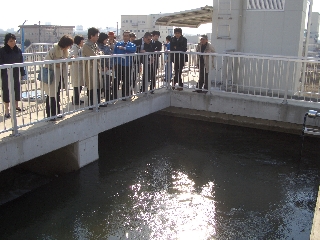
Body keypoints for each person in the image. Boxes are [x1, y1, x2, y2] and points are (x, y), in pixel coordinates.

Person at [43, 35, 73, 119]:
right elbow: (47, 62)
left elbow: (65, 62)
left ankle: (57, 112)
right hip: (52, 76)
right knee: (51, 95)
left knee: (57, 95)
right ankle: (50, 115)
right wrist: (56, 64)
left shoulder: (65, 51)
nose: (69, 47)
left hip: (60, 77)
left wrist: (71, 60)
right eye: (69, 45)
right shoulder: (54, 50)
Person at [0, 33, 26, 118]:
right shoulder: (2, 51)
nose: (13, 42)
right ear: (6, 42)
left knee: (17, 89)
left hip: (16, 73)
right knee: (6, 91)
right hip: (6, 74)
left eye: (14, 40)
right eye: (11, 41)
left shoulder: (17, 50)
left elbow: (21, 62)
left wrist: (22, 73)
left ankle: (16, 106)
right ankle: (7, 110)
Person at [82, 27, 106, 108]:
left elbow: (101, 52)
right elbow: (94, 55)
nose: (98, 37)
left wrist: (99, 54)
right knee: (92, 86)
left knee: (98, 85)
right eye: (96, 36)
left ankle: (98, 102)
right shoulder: (86, 46)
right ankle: (91, 104)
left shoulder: (95, 44)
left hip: (97, 68)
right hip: (90, 69)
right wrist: (99, 54)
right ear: (91, 36)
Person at [113, 30, 136, 99]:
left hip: (127, 65)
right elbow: (115, 53)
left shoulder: (132, 44)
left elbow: (133, 49)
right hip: (119, 64)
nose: (125, 37)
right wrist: (114, 63)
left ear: (129, 37)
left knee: (126, 80)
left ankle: (124, 95)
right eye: (124, 36)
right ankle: (114, 95)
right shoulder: (118, 44)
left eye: (127, 36)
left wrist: (124, 48)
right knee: (116, 80)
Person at [97, 32, 113, 101]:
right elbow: (101, 58)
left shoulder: (106, 46)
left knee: (108, 84)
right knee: (101, 84)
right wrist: (104, 66)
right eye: (106, 39)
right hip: (102, 68)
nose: (107, 41)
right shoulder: (98, 46)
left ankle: (108, 98)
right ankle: (101, 99)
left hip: (108, 67)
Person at [69, 35, 84, 105]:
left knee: (79, 85)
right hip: (76, 69)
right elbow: (72, 56)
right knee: (76, 85)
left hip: (79, 68)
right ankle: (75, 100)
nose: (83, 42)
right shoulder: (75, 48)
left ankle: (77, 99)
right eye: (82, 41)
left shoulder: (79, 48)